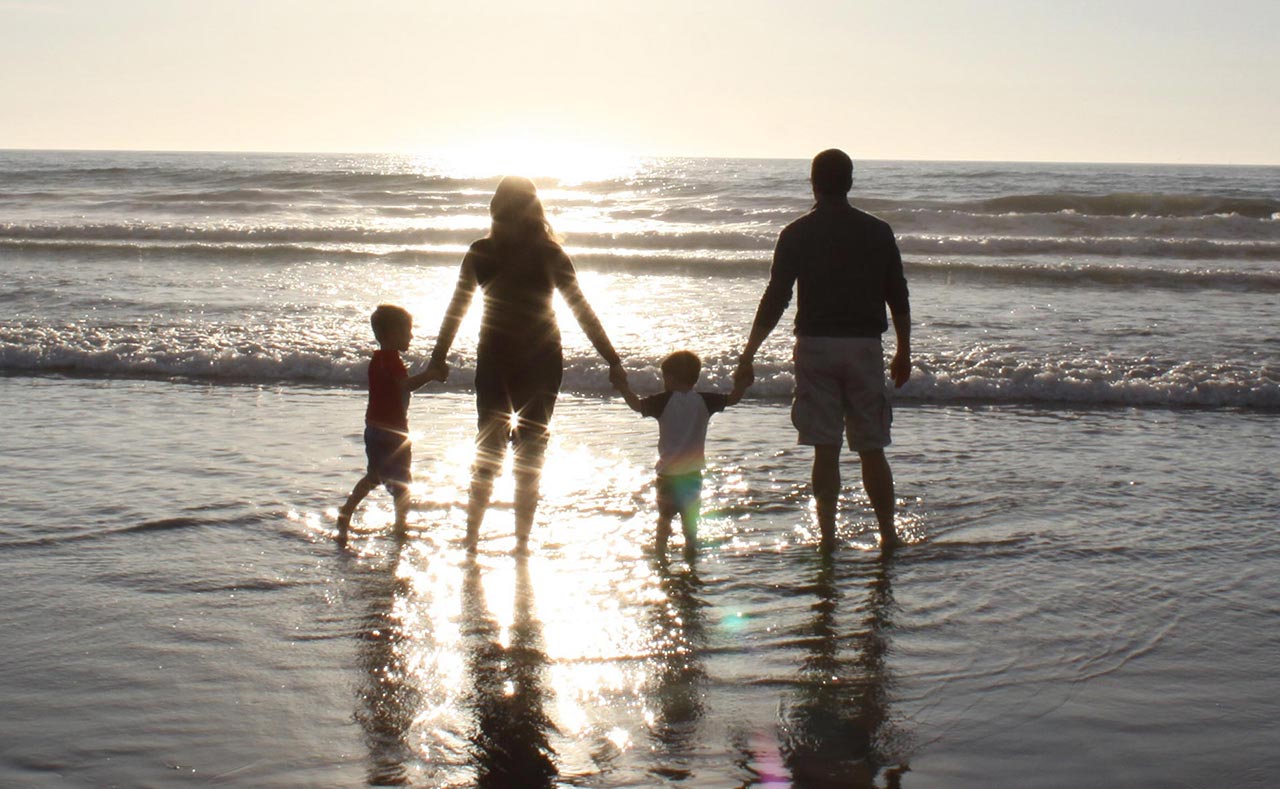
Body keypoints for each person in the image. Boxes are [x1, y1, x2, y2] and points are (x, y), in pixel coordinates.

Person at [426, 176, 626, 554]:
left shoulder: (482, 251)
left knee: (489, 444)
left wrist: (440, 356)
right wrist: (612, 359)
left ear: (495, 209)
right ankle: (520, 543)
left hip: (496, 358)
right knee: (531, 449)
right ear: (535, 209)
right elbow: (581, 310)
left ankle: (471, 539)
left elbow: (457, 308)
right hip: (541, 358)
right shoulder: (549, 253)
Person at [734, 149, 911, 553]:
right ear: (850, 183)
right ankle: (887, 533)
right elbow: (896, 294)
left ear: (813, 183)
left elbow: (776, 299)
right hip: (864, 346)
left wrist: (749, 355)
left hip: (815, 347)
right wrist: (904, 348)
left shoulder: (796, 233)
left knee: (826, 449)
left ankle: (828, 537)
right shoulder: (877, 231)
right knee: (872, 448)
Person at [616, 350, 744, 557]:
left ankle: (660, 554)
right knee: (690, 521)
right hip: (693, 474)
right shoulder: (704, 400)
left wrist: (623, 387)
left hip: (668, 474)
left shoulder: (664, 401)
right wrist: (742, 381)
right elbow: (734, 398)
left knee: (664, 519)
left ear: (671, 377)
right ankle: (691, 553)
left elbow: (636, 405)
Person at [337, 304, 444, 547]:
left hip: (373, 428)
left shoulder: (377, 360)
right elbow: (404, 386)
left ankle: (347, 511)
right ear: (389, 335)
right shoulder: (392, 360)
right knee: (403, 481)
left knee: (374, 475)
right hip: (393, 432)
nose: (411, 336)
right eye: (406, 331)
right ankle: (400, 525)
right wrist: (430, 375)